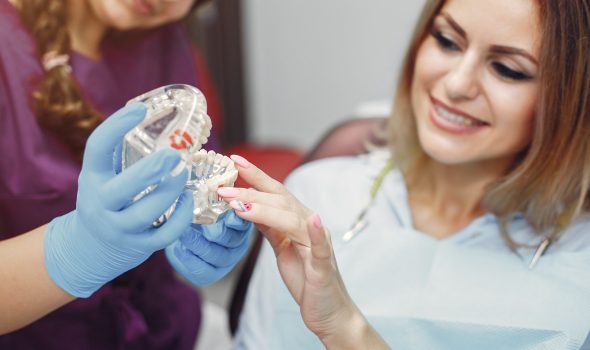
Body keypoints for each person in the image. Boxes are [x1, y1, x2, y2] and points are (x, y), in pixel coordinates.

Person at [220, 0, 590, 349]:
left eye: (508, 69)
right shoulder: (316, 195)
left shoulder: (581, 263)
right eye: (446, 40)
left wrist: (346, 329)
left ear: (571, 99)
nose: (457, 85)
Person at [0, 0, 251, 348]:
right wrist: (72, 253)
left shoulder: (161, 38)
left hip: (170, 328)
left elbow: (194, 169)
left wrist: (203, 222)